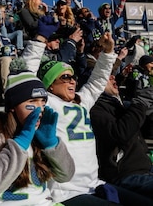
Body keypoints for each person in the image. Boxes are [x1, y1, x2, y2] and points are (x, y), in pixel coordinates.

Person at [38, 32, 153, 205]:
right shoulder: (47, 104)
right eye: (65, 77)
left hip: (94, 184)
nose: (72, 82)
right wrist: (39, 39)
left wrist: (107, 53)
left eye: (73, 77)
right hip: (67, 191)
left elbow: (98, 81)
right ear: (50, 85)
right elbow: (24, 78)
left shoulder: (81, 101)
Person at [0, 60, 75, 205]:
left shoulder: (40, 134)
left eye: (43, 102)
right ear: (13, 106)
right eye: (33, 102)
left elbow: (66, 176)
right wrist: (20, 143)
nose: (40, 109)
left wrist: (52, 144)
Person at [90, 74, 153, 200]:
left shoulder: (117, 104)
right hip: (126, 175)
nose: (113, 77)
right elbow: (120, 133)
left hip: (145, 168)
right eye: (107, 76)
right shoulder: (95, 109)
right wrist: (140, 103)